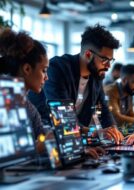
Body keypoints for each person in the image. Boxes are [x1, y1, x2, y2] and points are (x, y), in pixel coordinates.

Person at [0, 29, 103, 158]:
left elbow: (44, 136)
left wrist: (78, 150)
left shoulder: (27, 106)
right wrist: (43, 145)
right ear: (27, 69)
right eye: (44, 70)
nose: (46, 77)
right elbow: (8, 154)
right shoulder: (5, 102)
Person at [28, 24, 124, 144]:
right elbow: (63, 115)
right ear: (88, 54)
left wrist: (113, 129)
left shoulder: (96, 76)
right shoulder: (58, 69)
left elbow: (103, 108)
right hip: (44, 137)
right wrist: (95, 132)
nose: (108, 66)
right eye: (105, 60)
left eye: (111, 61)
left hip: (72, 139)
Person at [104, 64, 134, 128]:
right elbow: (116, 118)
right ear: (124, 80)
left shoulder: (129, 91)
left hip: (121, 131)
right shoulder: (110, 92)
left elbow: (131, 114)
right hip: (105, 132)